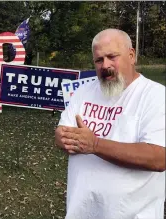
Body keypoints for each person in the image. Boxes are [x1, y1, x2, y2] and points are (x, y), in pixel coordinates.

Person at [55, 28, 165, 219]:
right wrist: (62, 138)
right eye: (99, 60)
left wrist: (95, 145)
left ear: (131, 56)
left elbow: (159, 158)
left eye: (112, 56)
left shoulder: (155, 96)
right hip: (81, 212)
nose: (105, 65)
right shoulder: (83, 92)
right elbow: (62, 134)